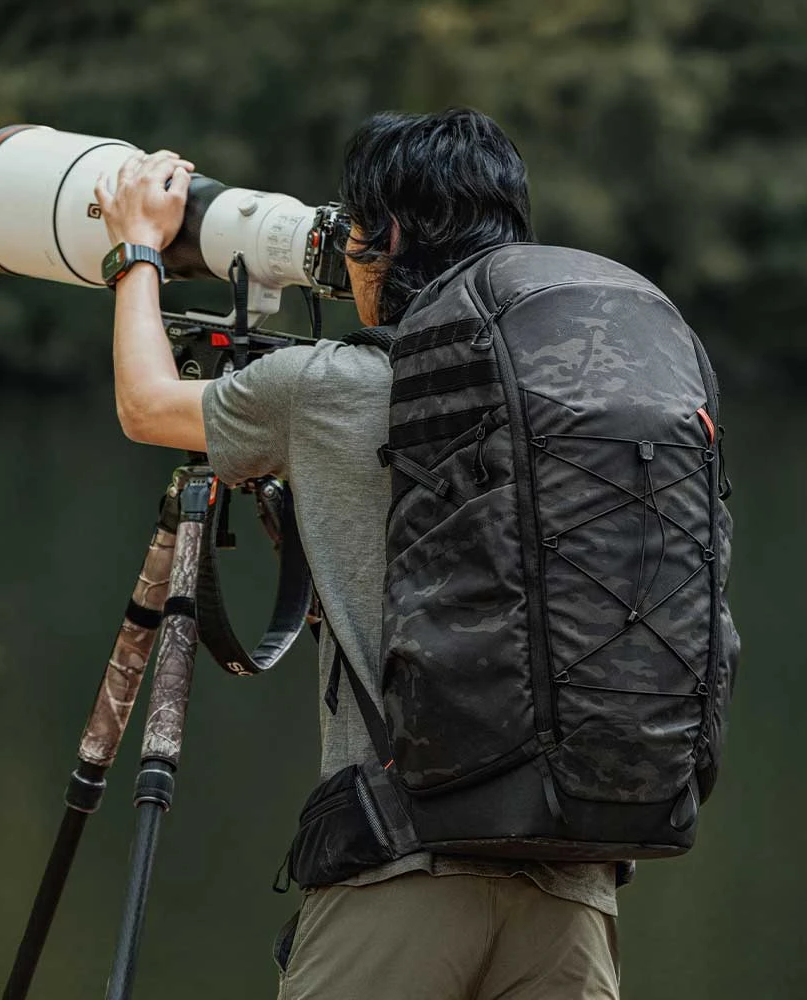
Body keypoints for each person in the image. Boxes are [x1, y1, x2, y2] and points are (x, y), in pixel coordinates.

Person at [94, 108, 621, 1000]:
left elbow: (146, 404)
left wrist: (138, 250)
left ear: (392, 238)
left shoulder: (330, 388)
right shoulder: (580, 394)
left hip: (401, 868)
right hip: (575, 881)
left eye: (356, 227)